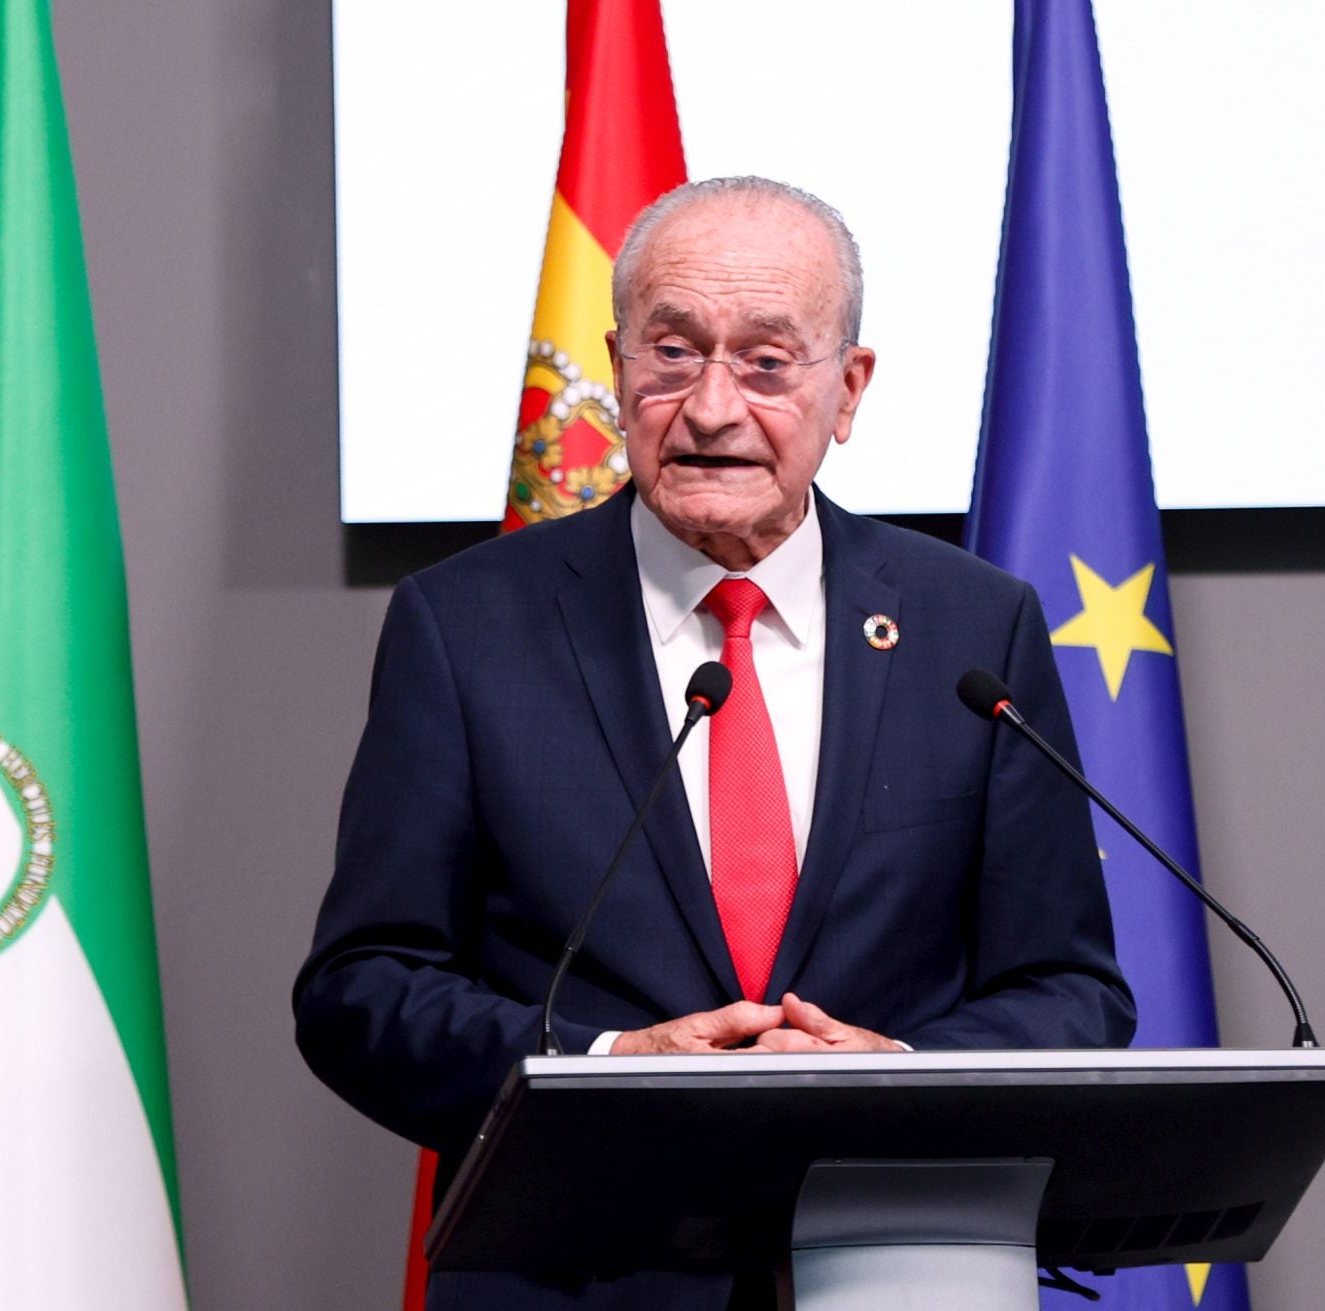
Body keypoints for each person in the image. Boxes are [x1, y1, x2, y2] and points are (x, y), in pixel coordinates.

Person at [294, 177, 1133, 1310]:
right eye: (673, 353)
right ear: (619, 367)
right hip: (583, 1274)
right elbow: (363, 990)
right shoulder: (466, 627)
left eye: (769, 363)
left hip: (899, 1265)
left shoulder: (972, 628)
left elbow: (1070, 990)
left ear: (850, 389)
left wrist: (902, 1077)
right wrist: (601, 1073)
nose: (711, 406)